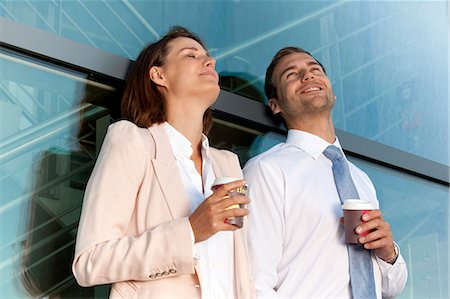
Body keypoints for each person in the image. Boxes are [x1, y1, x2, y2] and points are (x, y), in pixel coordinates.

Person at [72, 26, 255, 298]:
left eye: (207, 56)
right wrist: (191, 230)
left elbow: (240, 272)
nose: (209, 61)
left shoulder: (227, 164)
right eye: (190, 55)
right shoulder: (133, 142)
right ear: (159, 75)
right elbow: (90, 261)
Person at [244, 47, 408, 298]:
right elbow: (253, 283)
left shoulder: (360, 179)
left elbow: (389, 290)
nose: (307, 76)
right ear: (275, 105)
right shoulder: (266, 171)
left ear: (331, 91)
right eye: (291, 75)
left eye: (315, 70)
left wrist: (388, 253)